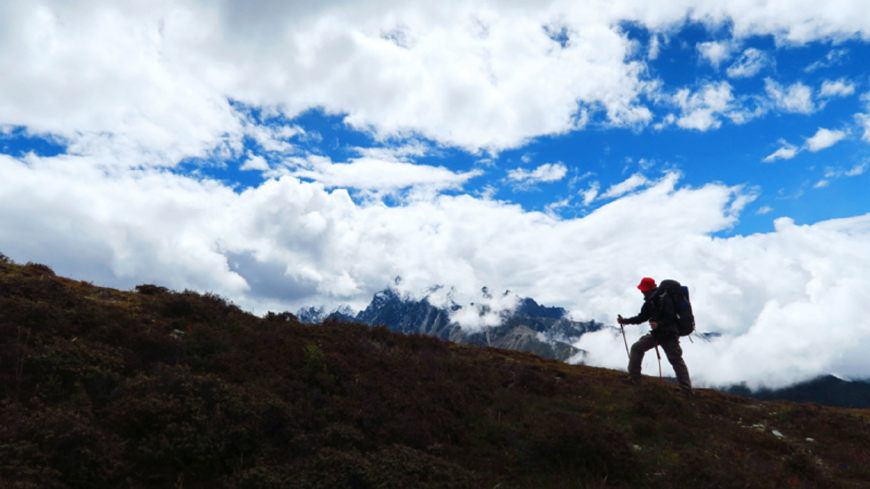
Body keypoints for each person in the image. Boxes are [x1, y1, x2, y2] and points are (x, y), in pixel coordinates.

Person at [617, 277, 692, 393]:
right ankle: (634, 379)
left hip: (668, 335)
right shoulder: (650, 301)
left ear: (647, 289)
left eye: (642, 289)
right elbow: (642, 317)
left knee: (675, 360)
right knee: (637, 348)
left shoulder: (663, 299)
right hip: (658, 334)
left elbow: (671, 318)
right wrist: (625, 321)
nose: (641, 291)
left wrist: (658, 324)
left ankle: (687, 391)